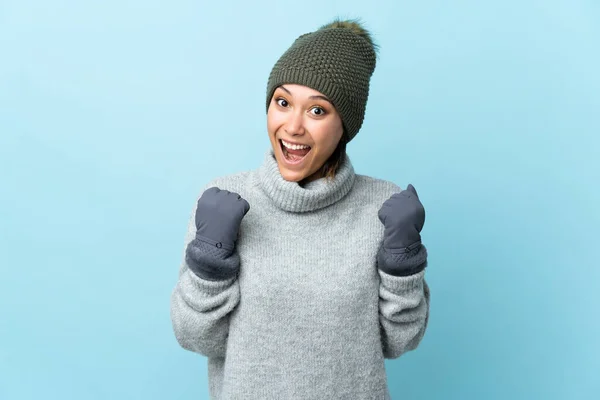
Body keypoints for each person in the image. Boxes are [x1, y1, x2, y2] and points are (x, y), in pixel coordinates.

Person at [170, 18, 431, 400]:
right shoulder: (222, 200)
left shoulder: (383, 208)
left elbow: (400, 341)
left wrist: (403, 266)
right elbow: (195, 337)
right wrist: (209, 265)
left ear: (346, 124)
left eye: (317, 111)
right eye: (282, 102)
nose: (292, 126)